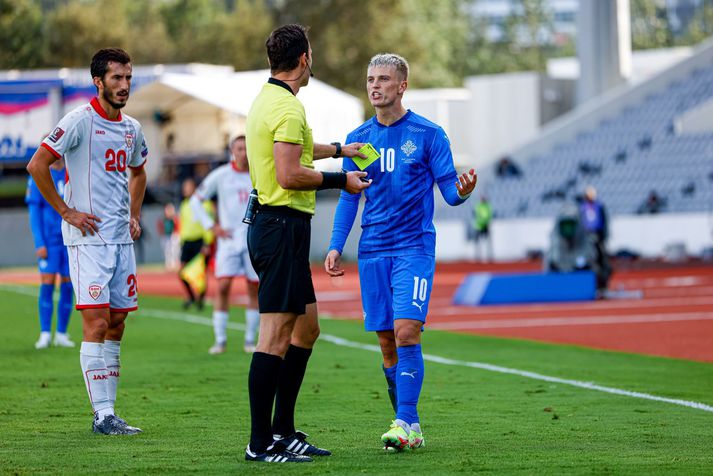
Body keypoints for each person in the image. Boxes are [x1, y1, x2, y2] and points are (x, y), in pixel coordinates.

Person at [324, 53, 477, 452]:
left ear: (402, 85)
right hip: (372, 250)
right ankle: (410, 424)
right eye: (371, 78)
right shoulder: (360, 139)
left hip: (413, 248)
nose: (375, 85)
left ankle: (405, 420)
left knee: (406, 331)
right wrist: (337, 245)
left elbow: (449, 193)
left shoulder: (429, 135)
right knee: (386, 341)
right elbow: (348, 198)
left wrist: (461, 192)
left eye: (384, 79)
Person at [243, 24, 371, 463]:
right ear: (305, 59)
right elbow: (288, 174)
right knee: (275, 335)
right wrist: (343, 180)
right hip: (279, 227)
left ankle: (283, 430)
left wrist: (339, 148)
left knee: (307, 328)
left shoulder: (272, 99)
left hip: (283, 227)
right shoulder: (289, 108)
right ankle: (260, 444)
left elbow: (294, 151)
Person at [26, 48, 148, 435]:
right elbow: (37, 164)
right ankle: (103, 415)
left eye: (128, 78)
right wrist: (67, 212)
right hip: (87, 241)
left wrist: (134, 214)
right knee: (95, 322)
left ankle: (109, 412)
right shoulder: (78, 121)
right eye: (116, 78)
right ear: (98, 82)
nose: (124, 85)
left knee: (117, 322)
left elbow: (139, 172)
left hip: (120, 241)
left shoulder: (132, 128)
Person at [189, 135, 260, 354]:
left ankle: (250, 340)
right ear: (232, 151)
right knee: (222, 286)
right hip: (227, 240)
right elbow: (195, 200)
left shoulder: (260, 174)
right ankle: (220, 340)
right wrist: (212, 226)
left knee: (254, 288)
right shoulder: (221, 175)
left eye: (247, 148)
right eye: (239, 148)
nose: (243, 152)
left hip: (253, 239)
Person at [26, 156, 75, 349]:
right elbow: (34, 213)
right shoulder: (39, 174)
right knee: (47, 283)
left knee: (68, 284)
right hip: (50, 240)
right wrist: (39, 242)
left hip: (69, 239)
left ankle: (61, 333)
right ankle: (45, 333)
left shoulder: (70, 172)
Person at [177, 178, 214, 310]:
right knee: (181, 272)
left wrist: (207, 243)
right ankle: (192, 296)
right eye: (184, 187)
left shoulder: (204, 204)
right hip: (187, 243)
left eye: (187, 186)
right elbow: (183, 224)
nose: (185, 189)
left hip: (200, 242)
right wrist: (181, 241)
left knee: (201, 274)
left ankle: (200, 300)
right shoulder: (184, 205)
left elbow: (209, 224)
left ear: (194, 188)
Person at [579, 186, 611, 292]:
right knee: (588, 261)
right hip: (586, 237)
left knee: (602, 260)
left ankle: (602, 284)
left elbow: (604, 221)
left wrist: (603, 236)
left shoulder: (599, 206)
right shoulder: (582, 207)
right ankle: (590, 284)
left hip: (598, 236)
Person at [156, 203, 179, 270]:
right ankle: (168, 263)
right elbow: (160, 227)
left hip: (173, 236)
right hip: (165, 236)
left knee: (174, 250)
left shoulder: (174, 218)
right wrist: (161, 233)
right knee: (166, 250)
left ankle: (174, 263)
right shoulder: (163, 219)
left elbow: (177, 227)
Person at [472, 196, 493, 261]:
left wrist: (487, 222)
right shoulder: (478, 206)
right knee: (478, 242)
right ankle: (478, 257)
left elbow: (489, 215)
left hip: (485, 225)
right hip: (478, 226)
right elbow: (476, 214)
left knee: (487, 242)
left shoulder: (487, 206)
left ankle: (489, 256)